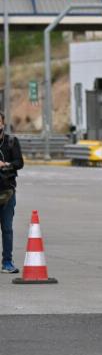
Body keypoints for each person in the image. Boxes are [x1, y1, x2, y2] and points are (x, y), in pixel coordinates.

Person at [0, 112, 23, 274]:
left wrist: (5, 164)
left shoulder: (11, 142)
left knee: (7, 228)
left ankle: (7, 261)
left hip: (7, 192)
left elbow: (19, 163)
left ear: (3, 124)